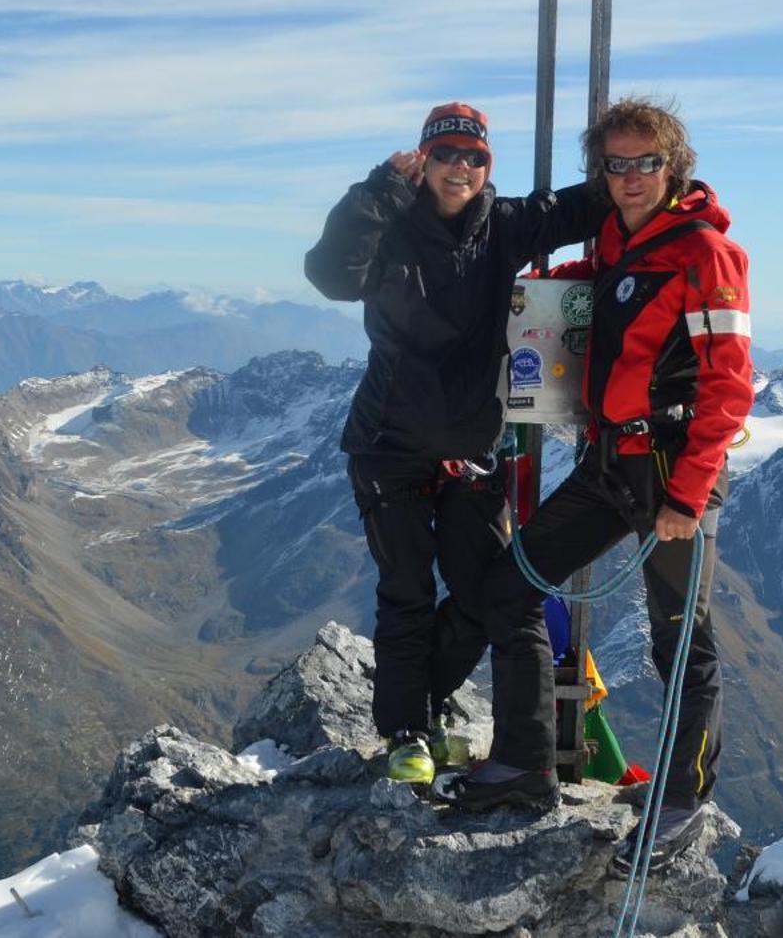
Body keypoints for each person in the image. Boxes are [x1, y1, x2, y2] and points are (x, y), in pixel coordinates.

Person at [440, 95, 753, 876]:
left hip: (670, 469)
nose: (631, 175)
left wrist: (687, 495)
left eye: (646, 161)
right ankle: (525, 764)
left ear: (673, 166)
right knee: (514, 585)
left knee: (681, 643)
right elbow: (604, 289)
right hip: (611, 463)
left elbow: (729, 387)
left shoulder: (707, 255)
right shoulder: (617, 238)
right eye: (616, 163)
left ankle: (682, 801)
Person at [305, 101, 607, 787]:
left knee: (484, 594)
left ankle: (426, 704)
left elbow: (579, 209)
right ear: (424, 161)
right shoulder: (388, 223)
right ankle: (408, 732)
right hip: (390, 450)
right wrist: (378, 190)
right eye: (446, 154)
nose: (460, 167)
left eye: (474, 156)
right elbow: (329, 273)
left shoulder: (503, 226)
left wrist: (647, 168)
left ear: (486, 166)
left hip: (473, 453)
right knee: (407, 591)